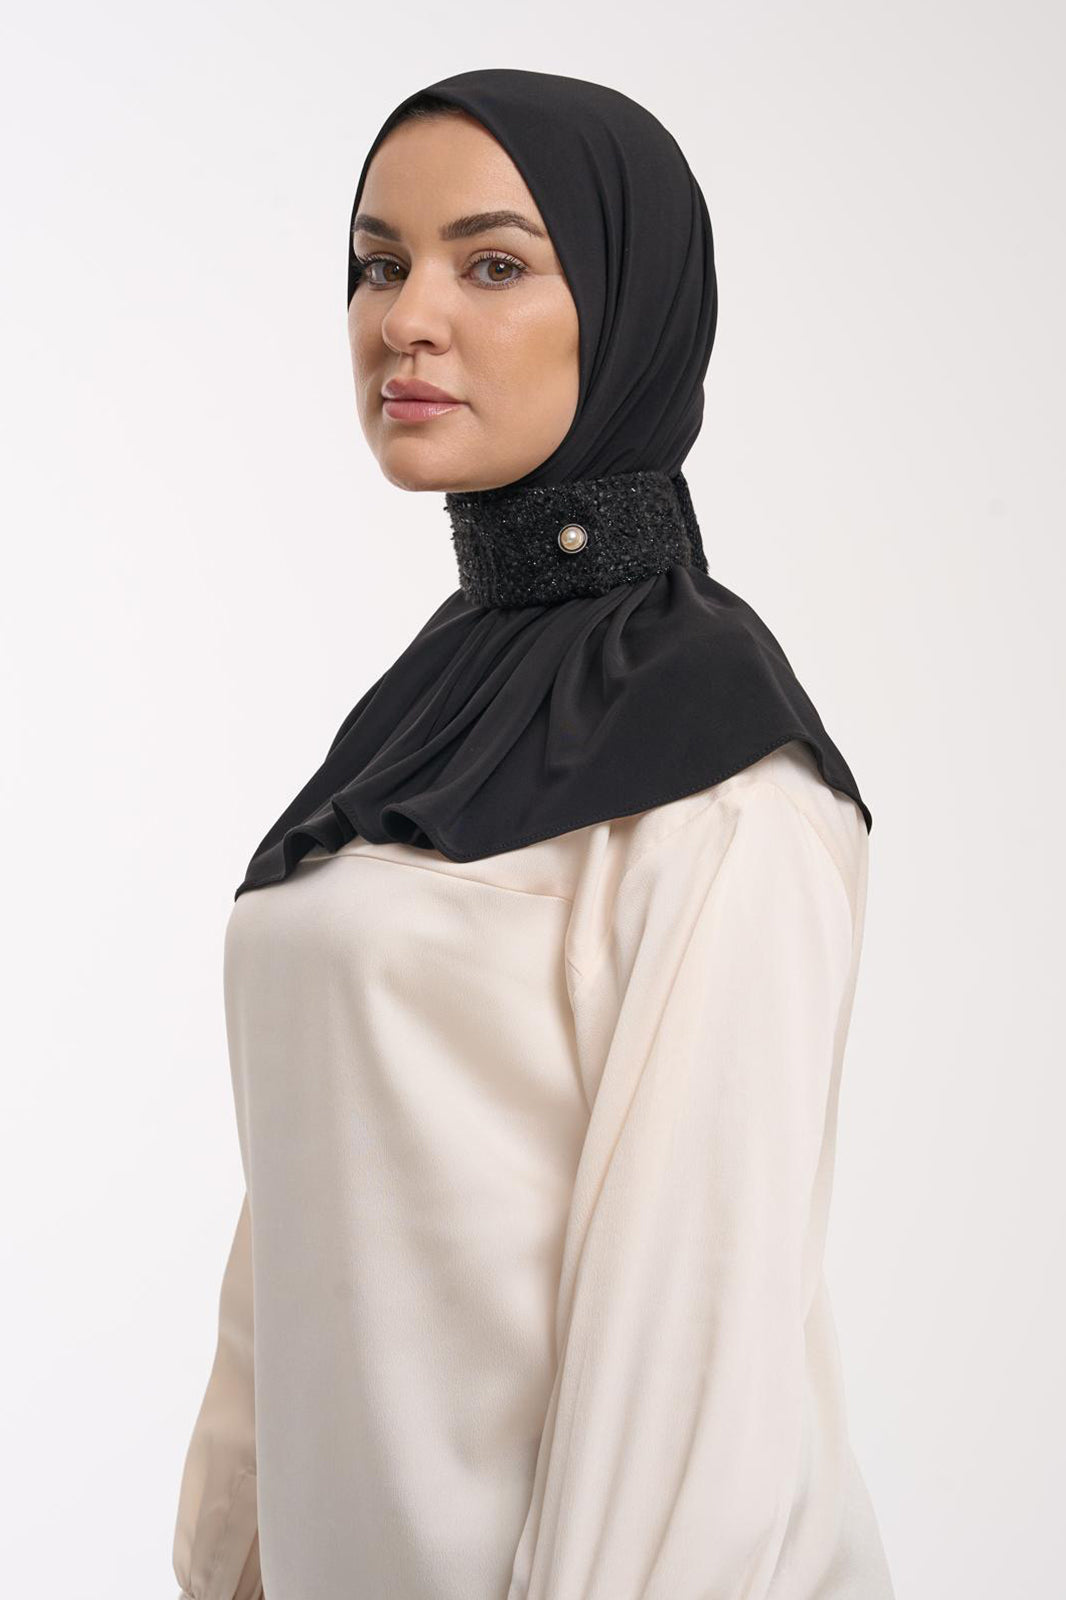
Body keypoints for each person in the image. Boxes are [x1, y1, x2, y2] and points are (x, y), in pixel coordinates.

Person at [171, 68, 896, 1600]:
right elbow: (313, 1182)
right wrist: (231, 1556)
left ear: (628, 307)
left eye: (492, 264)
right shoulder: (423, 707)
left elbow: (688, 1347)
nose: (406, 319)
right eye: (379, 263)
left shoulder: (722, 770)